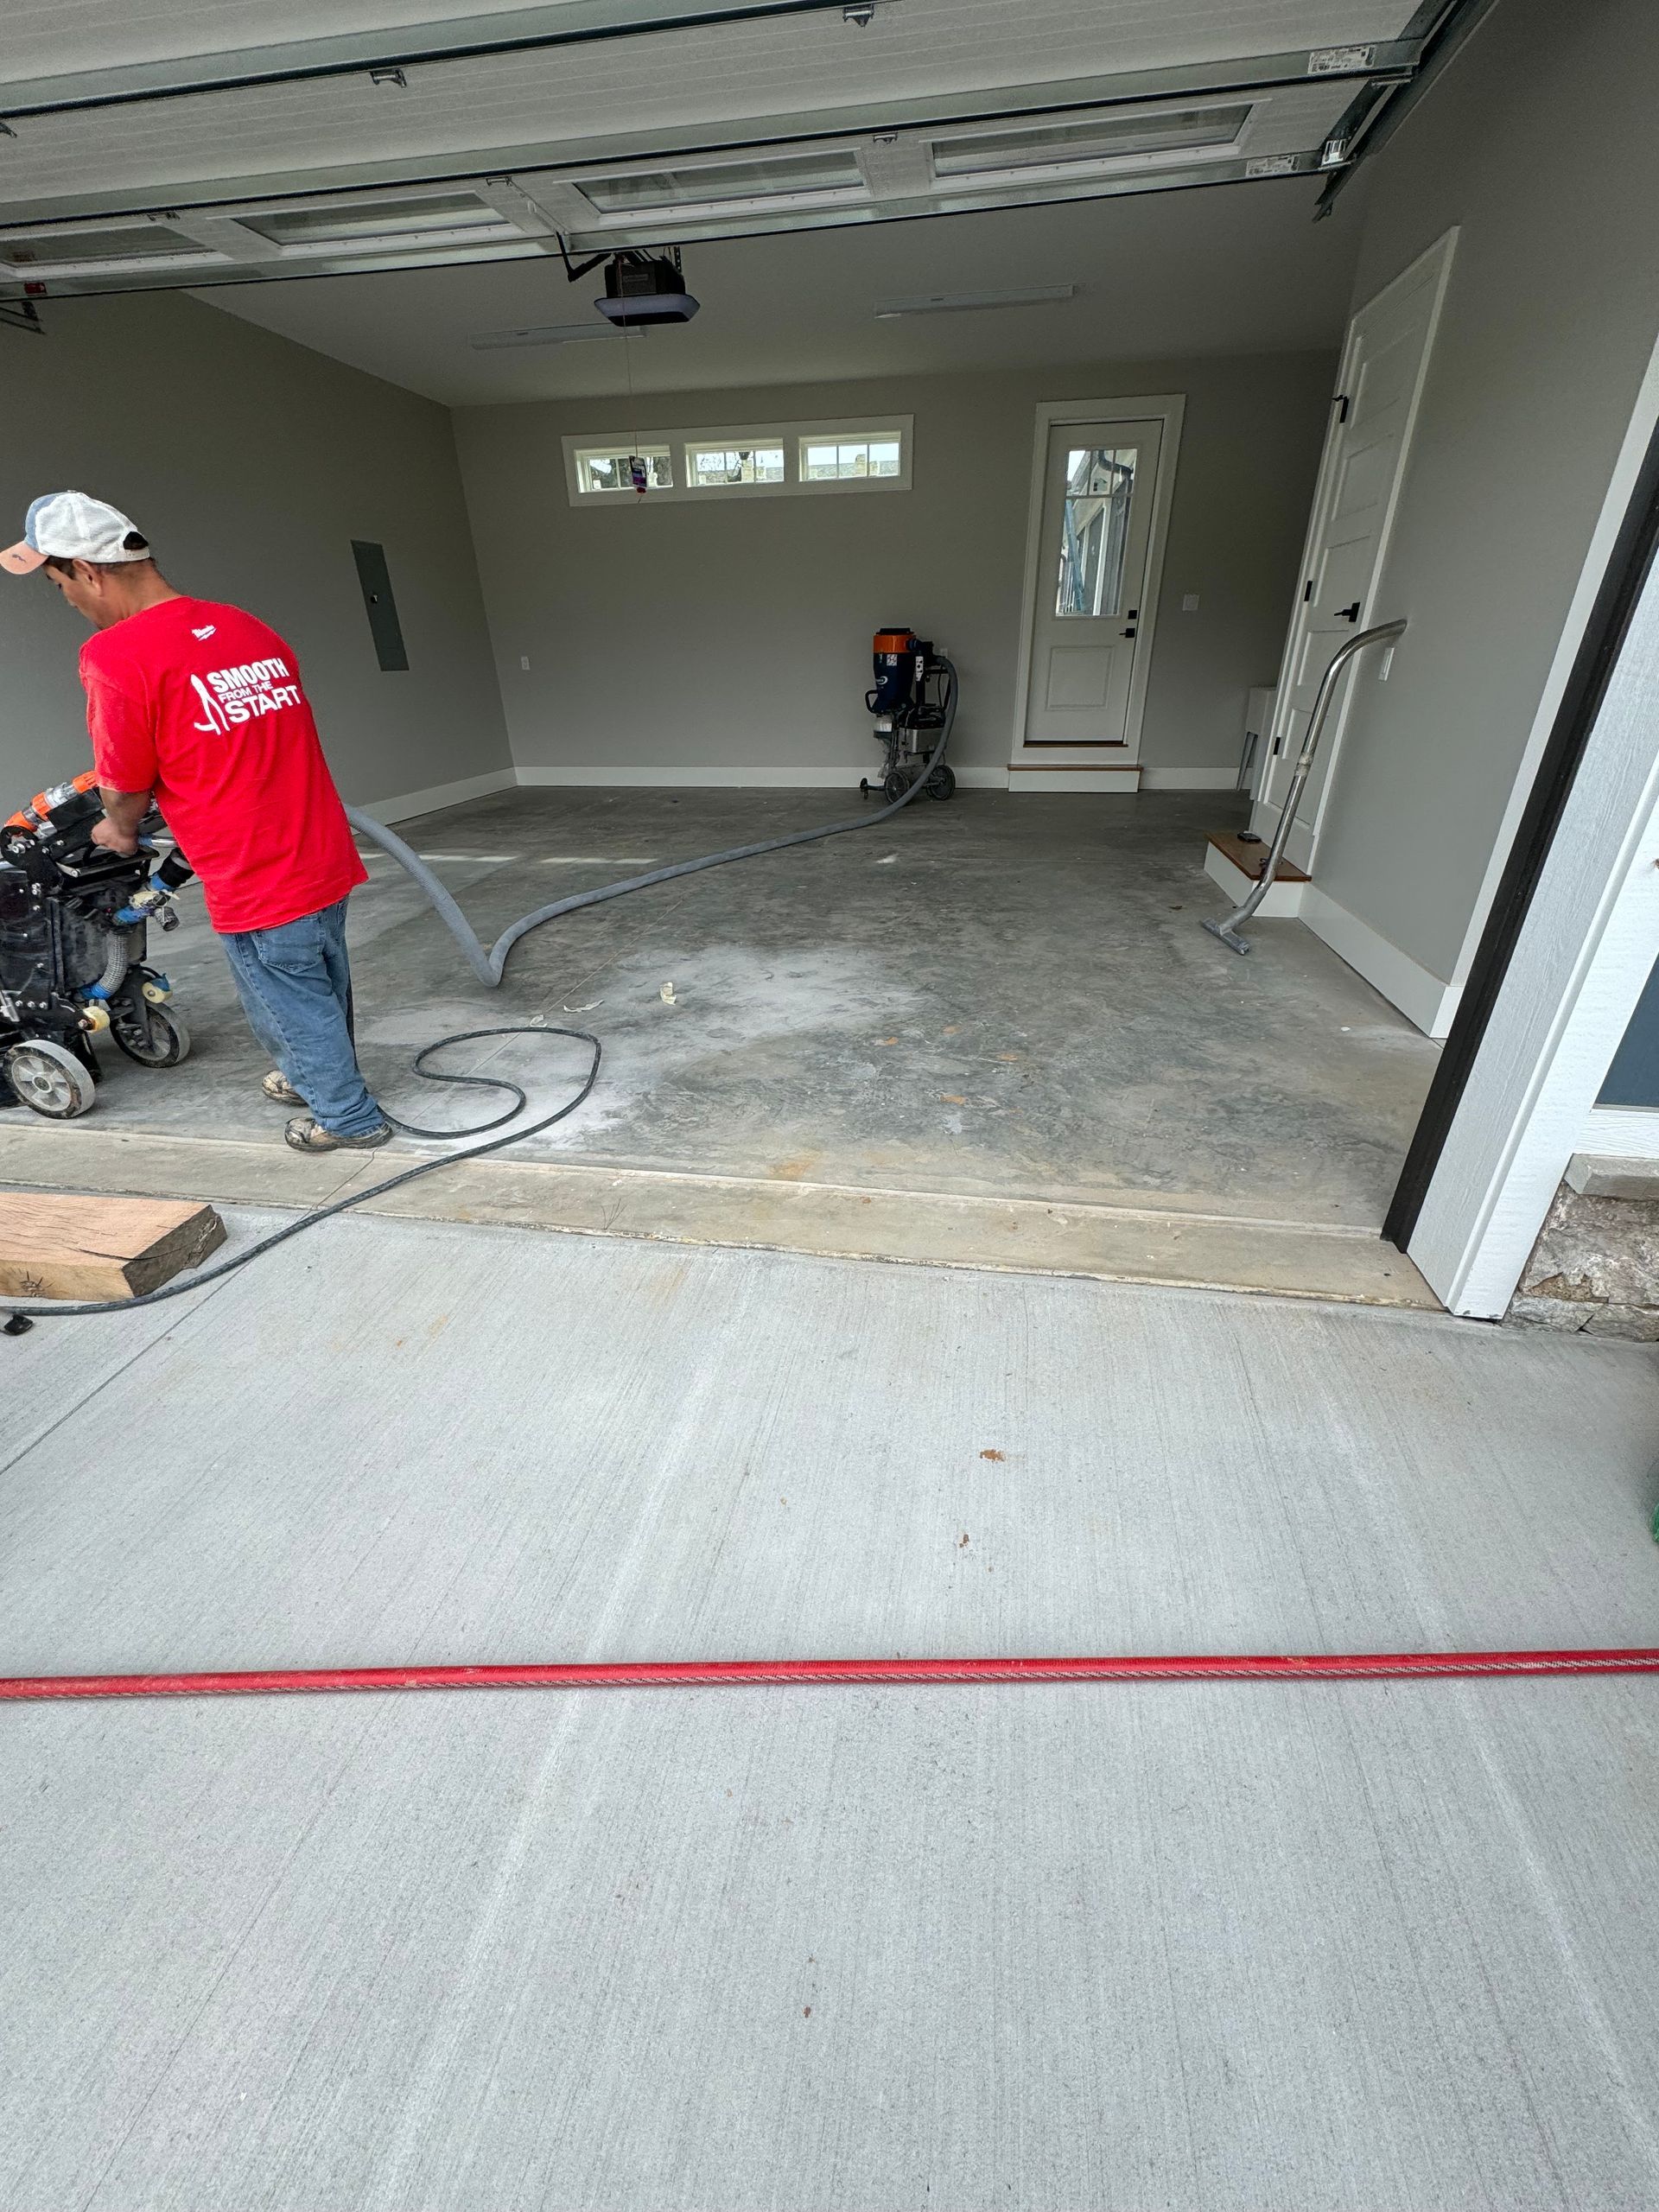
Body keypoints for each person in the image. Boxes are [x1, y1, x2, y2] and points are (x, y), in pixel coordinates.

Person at [2, 491, 391, 1153]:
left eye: (58, 582)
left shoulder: (115, 655)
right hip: (318, 846)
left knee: (284, 994)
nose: (65, 597)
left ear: (88, 572)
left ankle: (347, 1118)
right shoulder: (244, 626)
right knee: (318, 980)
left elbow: (123, 779)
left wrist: (118, 831)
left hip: (253, 866)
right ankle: (312, 1076)